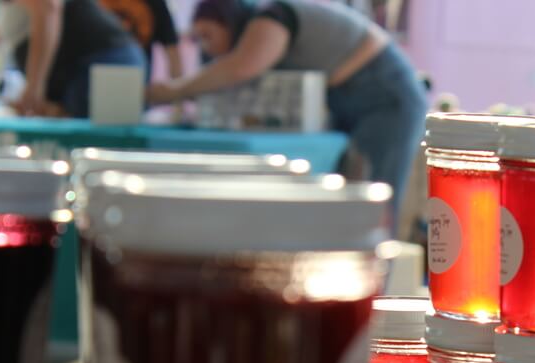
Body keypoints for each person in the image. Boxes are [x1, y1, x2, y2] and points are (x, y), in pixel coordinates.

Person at [148, 0, 426, 221]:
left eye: (208, 35)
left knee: (372, 201)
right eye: (198, 39)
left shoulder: (271, 17)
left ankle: (373, 286)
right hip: (347, 96)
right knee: (342, 203)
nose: (205, 46)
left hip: (385, 94)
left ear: (229, 22)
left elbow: (242, 67)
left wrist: (174, 90)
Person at [0, 0, 143, 118]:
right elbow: (9, 22)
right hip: (82, 70)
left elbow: (47, 7)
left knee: (90, 151)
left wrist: (34, 88)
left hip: (101, 66)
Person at [96, 0, 185, 84]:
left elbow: (172, 50)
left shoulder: (155, 3)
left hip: (139, 85)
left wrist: (177, 94)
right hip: (92, 83)